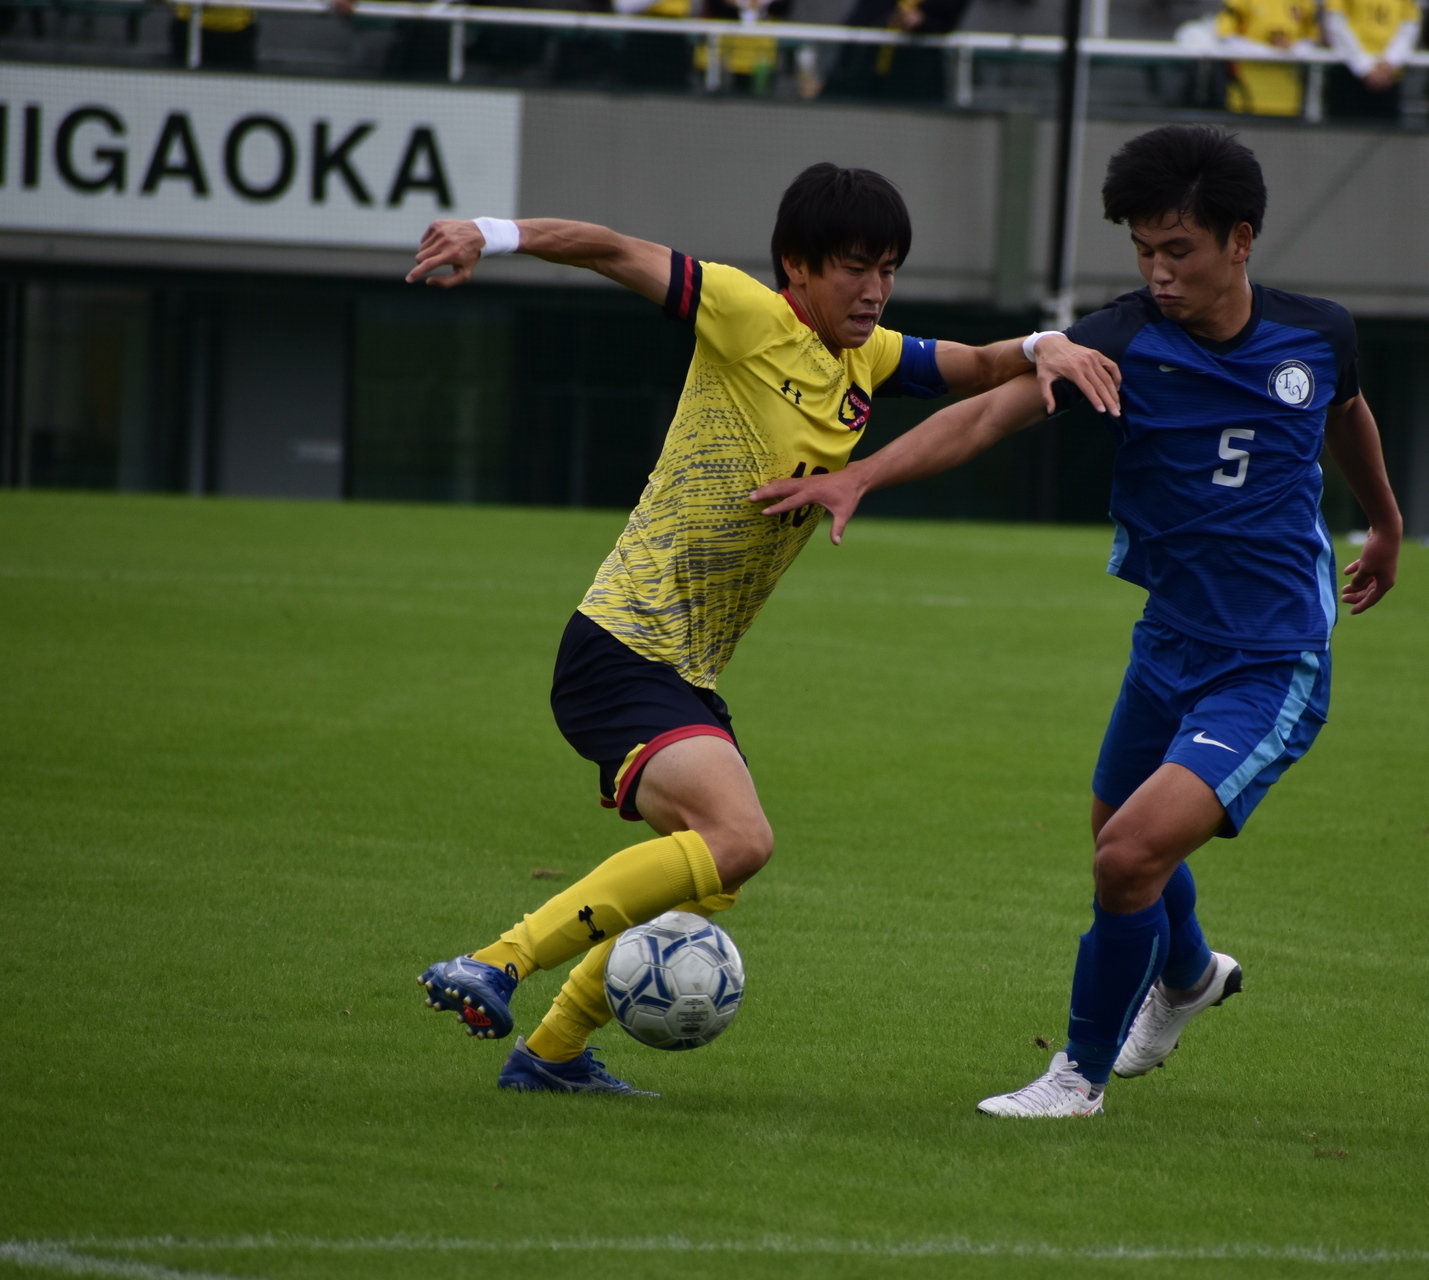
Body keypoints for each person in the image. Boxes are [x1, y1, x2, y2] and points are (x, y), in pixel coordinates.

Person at [406, 164, 1122, 1094]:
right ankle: (496, 962)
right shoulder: (749, 314)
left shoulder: (865, 360)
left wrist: (1045, 345)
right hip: (619, 647)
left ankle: (551, 1055)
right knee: (738, 836)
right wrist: (488, 235)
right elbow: (612, 249)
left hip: (681, 667)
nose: (875, 291)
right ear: (797, 265)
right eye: (855, 268)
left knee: (709, 873)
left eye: (890, 270)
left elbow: (980, 368)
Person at [752, 125, 1404, 1118]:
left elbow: (1345, 411)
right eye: (1143, 250)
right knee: (1118, 832)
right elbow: (988, 414)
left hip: (1270, 662)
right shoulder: (1126, 339)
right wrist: (859, 475)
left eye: (1177, 250)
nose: (1158, 272)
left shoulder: (1318, 335)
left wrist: (1386, 523)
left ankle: (1079, 1075)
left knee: (1127, 853)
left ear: (1242, 239)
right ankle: (1186, 976)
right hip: (1168, 645)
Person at [825, 0, 972, 102]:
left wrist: (922, 21)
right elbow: (858, 20)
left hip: (917, 72)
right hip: (869, 68)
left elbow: (945, 21)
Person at [1216, 0, 1323, 117]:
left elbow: (1313, 37)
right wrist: (1266, 49)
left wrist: (1293, 48)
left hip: (1288, 95)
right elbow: (1225, 34)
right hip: (1247, 90)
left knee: (1283, 131)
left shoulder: (1305, 2)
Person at [1322, 0, 1420, 119]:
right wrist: (1365, 67)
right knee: (1344, 133)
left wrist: (1389, 61)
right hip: (1348, 72)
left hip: (1388, 78)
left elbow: (1409, 26)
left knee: (1386, 134)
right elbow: (1335, 23)